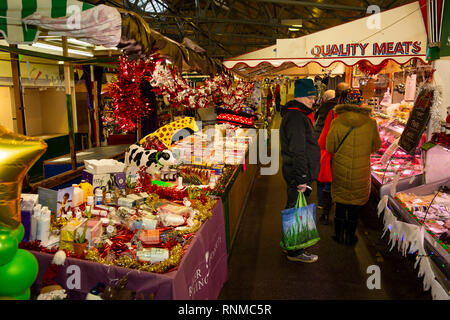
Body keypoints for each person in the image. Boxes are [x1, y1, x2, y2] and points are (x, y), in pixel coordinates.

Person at [325, 89, 382, 245]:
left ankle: (338, 235)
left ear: (346, 102)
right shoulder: (371, 122)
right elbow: (377, 146)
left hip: (341, 169)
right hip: (361, 170)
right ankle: (350, 236)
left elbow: (330, 147)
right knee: (355, 207)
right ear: (361, 102)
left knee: (341, 204)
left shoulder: (337, 121)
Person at [280, 78, 321, 263]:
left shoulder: (297, 115)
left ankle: (291, 244)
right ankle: (295, 252)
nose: (314, 101)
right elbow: (298, 150)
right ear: (302, 97)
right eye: (311, 97)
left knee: (295, 209)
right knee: (297, 212)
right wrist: (302, 178)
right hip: (298, 174)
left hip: (297, 173)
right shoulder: (296, 117)